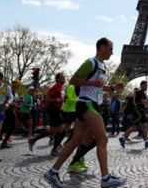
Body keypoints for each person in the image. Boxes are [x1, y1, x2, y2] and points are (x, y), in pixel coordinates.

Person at [44, 37, 125, 188]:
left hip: (91, 104)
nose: (112, 52)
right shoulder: (91, 62)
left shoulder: (102, 66)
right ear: (101, 48)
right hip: (87, 104)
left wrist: (112, 88)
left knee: (75, 140)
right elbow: (73, 80)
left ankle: (52, 172)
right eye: (110, 48)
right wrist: (92, 83)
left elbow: (99, 87)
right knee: (102, 139)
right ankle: (105, 178)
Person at [29, 73, 66, 156]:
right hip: (53, 110)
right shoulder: (55, 87)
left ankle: (34, 139)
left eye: (64, 77)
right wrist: (56, 100)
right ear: (58, 79)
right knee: (62, 130)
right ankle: (55, 149)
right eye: (62, 78)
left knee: (54, 130)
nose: (64, 79)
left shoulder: (61, 87)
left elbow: (61, 99)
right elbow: (47, 98)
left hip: (58, 110)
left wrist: (63, 100)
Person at [119, 81, 148, 149]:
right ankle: (146, 142)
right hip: (140, 112)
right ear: (141, 85)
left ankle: (123, 138)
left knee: (136, 127)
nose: (147, 86)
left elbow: (136, 102)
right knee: (145, 125)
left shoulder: (138, 92)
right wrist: (147, 102)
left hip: (137, 112)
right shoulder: (141, 93)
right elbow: (144, 102)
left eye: (147, 85)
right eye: (145, 85)